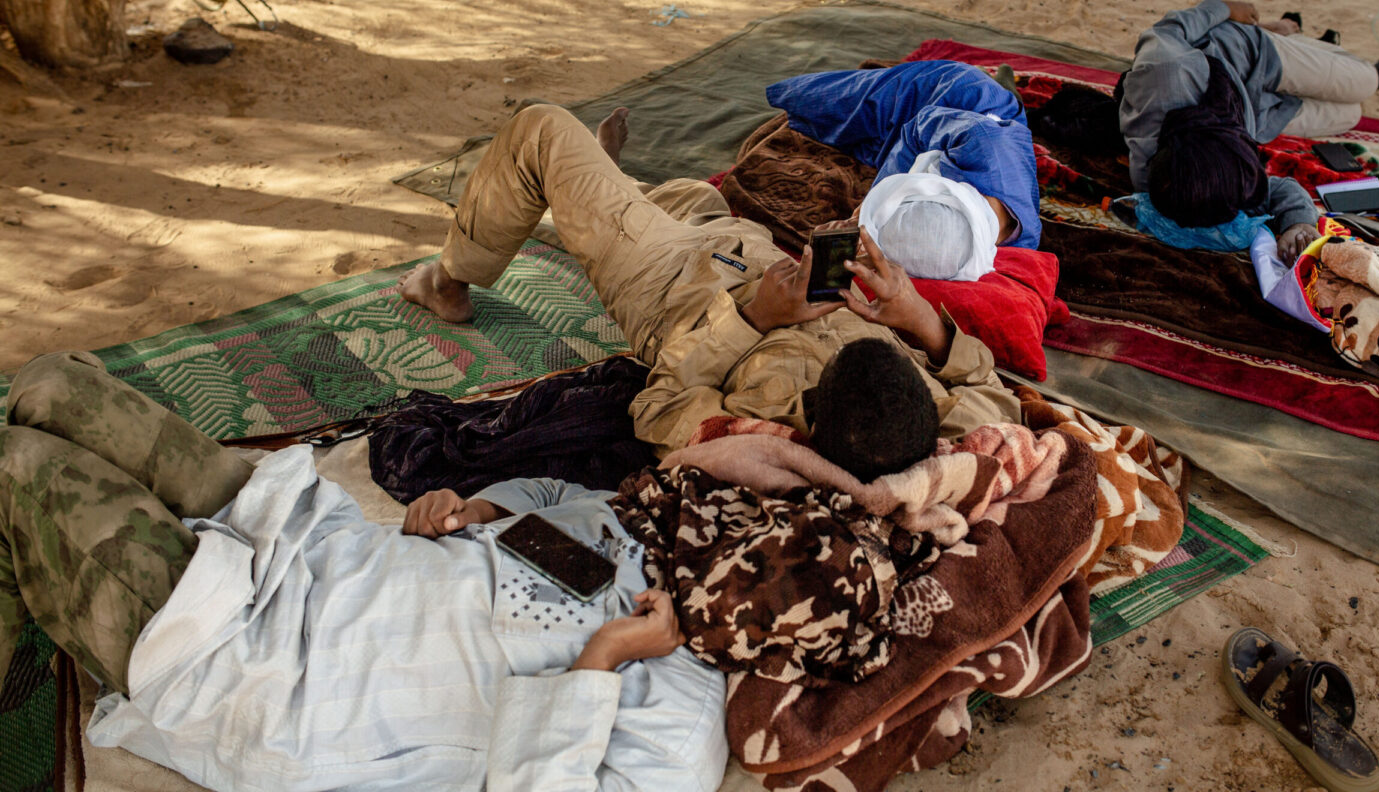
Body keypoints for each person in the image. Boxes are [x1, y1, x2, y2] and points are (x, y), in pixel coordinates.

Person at [0, 351, 728, 792]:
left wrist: (601, 662)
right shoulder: (653, 531)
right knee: (48, 386)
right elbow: (553, 498)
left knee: (14, 469)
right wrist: (475, 511)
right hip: (308, 544)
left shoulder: (683, 721)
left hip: (265, 672)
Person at [397, 102, 1021, 453]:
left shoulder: (759, 439)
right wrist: (916, 318)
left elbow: (661, 402)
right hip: (733, 249)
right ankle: (597, 190)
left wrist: (758, 319)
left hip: (674, 286)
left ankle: (451, 278)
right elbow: (995, 396)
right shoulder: (942, 430)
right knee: (698, 198)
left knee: (541, 131)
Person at [1120, 0, 1379, 262]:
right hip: (1255, 113)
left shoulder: (1167, 71)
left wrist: (1224, 8)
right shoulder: (1176, 187)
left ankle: (1275, 33)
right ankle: (1298, 48)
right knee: (1350, 114)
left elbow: (1167, 29)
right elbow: (1279, 190)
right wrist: (1298, 225)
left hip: (1248, 51)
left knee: (1367, 81)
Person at [765, 59, 1041, 273]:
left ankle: (1007, 88)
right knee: (821, 102)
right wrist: (866, 211)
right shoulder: (983, 141)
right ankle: (998, 85)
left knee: (858, 144)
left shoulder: (1007, 247)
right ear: (934, 191)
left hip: (954, 143)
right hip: (952, 97)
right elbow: (918, 127)